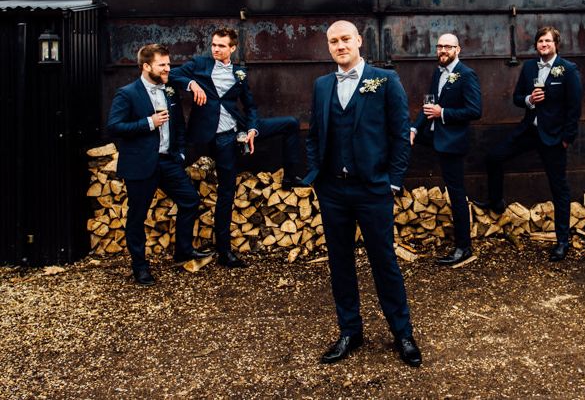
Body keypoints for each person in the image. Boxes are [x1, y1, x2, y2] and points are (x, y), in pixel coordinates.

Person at [303, 20, 421, 367]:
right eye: (333, 41)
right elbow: (314, 135)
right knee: (340, 263)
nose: (339, 46)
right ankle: (350, 331)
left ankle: (402, 333)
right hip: (333, 191)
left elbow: (400, 135)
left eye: (345, 39)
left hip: (373, 189)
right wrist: (317, 176)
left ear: (358, 41)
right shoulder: (322, 85)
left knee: (384, 262)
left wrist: (393, 182)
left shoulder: (385, 80)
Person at [170, 27, 302, 269]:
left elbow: (250, 106)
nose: (215, 49)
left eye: (221, 46)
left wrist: (252, 129)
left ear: (232, 48)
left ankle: (291, 177)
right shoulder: (199, 64)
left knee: (291, 124)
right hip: (216, 138)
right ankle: (220, 252)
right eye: (213, 44)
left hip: (238, 129)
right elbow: (170, 74)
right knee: (225, 192)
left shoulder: (239, 73)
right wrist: (191, 83)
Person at [107, 44, 211, 286]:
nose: (167, 69)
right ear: (146, 66)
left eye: (168, 64)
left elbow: (179, 125)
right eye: (162, 65)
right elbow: (114, 127)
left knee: (190, 201)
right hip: (141, 163)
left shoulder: (170, 90)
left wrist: (181, 154)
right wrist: (148, 122)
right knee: (137, 216)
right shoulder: (127, 93)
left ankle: (183, 251)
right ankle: (140, 267)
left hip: (169, 161)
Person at [478, 26, 582, 262]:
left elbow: (574, 108)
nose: (544, 44)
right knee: (494, 157)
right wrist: (529, 99)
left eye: (548, 41)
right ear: (536, 45)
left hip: (554, 137)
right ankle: (496, 202)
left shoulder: (568, 69)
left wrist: (567, 139)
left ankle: (562, 241)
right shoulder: (529, 67)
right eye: (540, 41)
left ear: (556, 44)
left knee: (559, 188)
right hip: (529, 130)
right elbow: (517, 98)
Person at [410, 33, 482, 266]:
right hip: (434, 136)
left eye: (448, 47)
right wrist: (414, 128)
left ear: (457, 50)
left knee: (456, 193)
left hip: (452, 142)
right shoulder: (438, 72)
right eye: (439, 46)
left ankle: (464, 247)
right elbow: (428, 106)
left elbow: (475, 110)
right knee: (399, 137)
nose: (442, 50)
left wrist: (443, 113)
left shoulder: (466, 74)